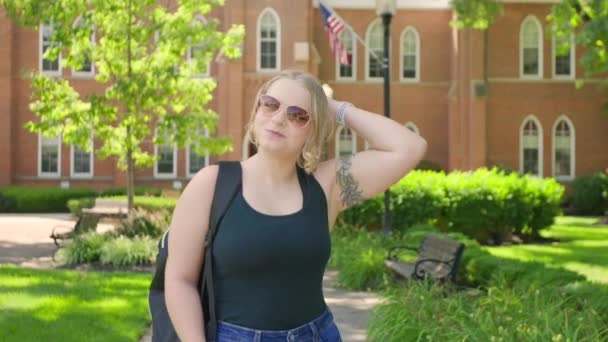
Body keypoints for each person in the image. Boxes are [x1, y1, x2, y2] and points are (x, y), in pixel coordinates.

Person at [164, 69, 428, 342]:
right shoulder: (212, 184)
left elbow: (410, 147)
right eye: (270, 104)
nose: (279, 119)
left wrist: (334, 108)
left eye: (298, 115)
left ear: (313, 131)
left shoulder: (327, 186)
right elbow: (179, 279)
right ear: (257, 110)